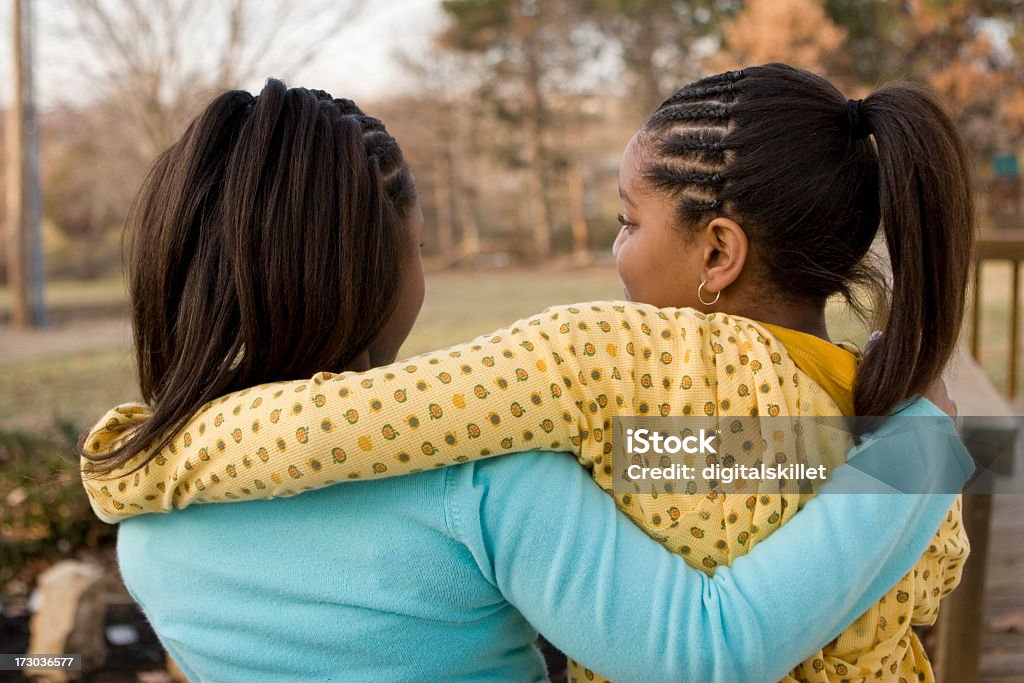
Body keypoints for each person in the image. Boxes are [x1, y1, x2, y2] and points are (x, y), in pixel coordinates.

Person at [81, 72, 974, 682]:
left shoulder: (146, 534)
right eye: (421, 249)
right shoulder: (492, 480)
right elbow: (712, 624)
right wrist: (916, 449)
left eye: (627, 222)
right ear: (374, 271)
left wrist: (149, 457)